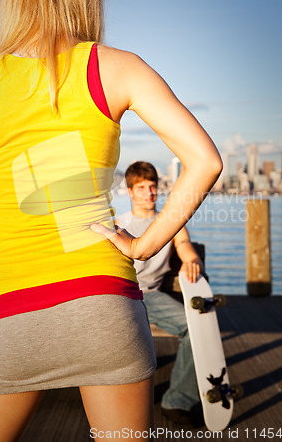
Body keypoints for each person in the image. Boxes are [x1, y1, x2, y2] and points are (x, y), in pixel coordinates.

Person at [0, 0, 223, 440]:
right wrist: (144, 245)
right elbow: (206, 161)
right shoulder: (118, 67)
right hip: (105, 304)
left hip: (10, 309)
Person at [116, 162, 205, 426]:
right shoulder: (119, 223)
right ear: (130, 191)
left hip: (150, 295)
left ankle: (177, 400)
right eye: (141, 188)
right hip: (121, 295)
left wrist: (192, 261)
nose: (149, 193)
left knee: (195, 325)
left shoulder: (170, 223)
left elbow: (185, 246)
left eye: (152, 186)